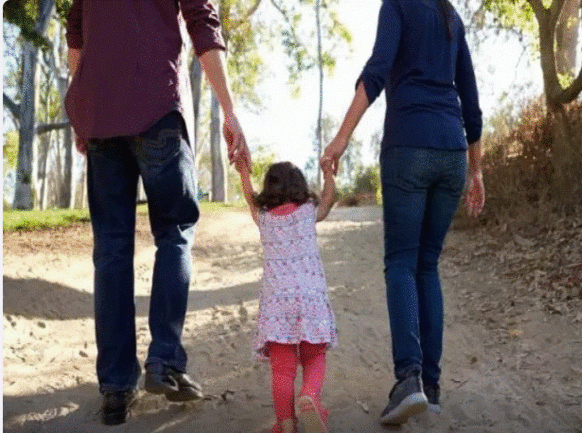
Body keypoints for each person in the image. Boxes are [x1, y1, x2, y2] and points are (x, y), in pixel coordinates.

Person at [64, 0, 250, 425]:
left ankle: (115, 387)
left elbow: (76, 31)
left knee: (111, 248)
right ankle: (164, 361)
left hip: (101, 113)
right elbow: (202, 22)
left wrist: (84, 111)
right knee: (175, 230)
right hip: (158, 106)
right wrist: (230, 110)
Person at [321, 0, 485, 426]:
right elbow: (471, 100)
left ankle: (408, 379)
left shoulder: (397, 4)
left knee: (401, 262)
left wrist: (341, 139)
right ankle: (431, 387)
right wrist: (476, 169)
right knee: (426, 265)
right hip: (452, 152)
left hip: (409, 146)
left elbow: (377, 71)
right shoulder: (450, 16)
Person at [235, 159, 337, 433]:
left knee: (282, 370)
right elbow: (328, 200)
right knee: (314, 356)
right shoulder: (307, 212)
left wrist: (244, 172)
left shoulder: (264, 218)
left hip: (277, 306)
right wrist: (328, 174)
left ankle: (286, 423)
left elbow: (249, 198)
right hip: (311, 300)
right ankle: (310, 396)